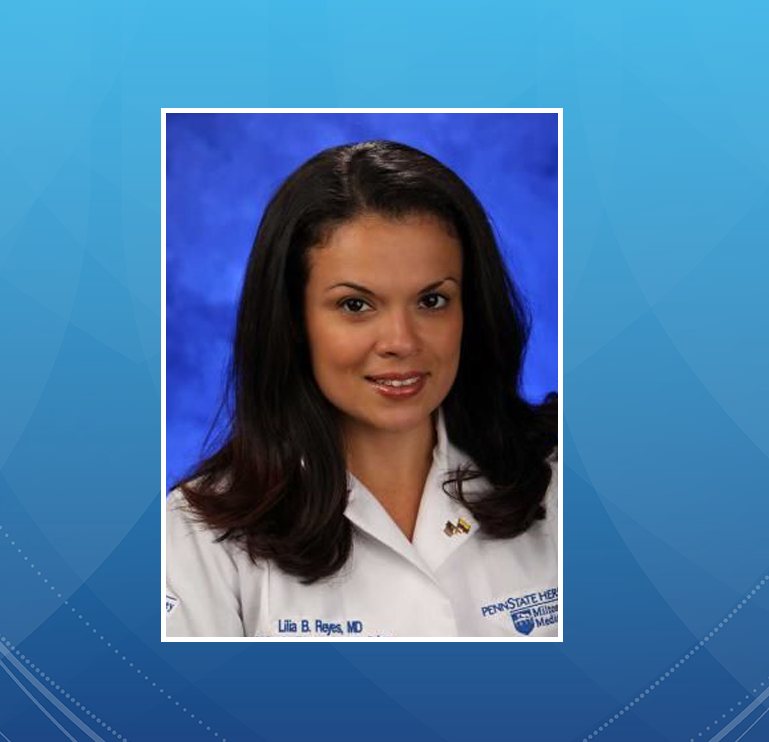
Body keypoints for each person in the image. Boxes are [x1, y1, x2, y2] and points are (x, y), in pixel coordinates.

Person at [166, 140, 558, 638]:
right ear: (293, 321)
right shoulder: (195, 540)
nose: (401, 342)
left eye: (432, 301)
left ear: (471, 310)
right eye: (355, 305)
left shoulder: (559, 481)